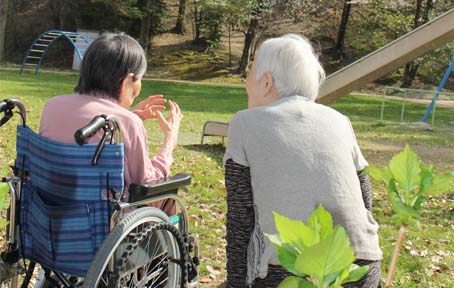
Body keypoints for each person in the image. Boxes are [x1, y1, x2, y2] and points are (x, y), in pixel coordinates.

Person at [224, 34, 382, 288]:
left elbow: (240, 218)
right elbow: (365, 200)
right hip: (359, 264)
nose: (246, 83)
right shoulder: (340, 121)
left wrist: (235, 284)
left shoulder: (244, 122)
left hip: (291, 268)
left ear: (266, 82)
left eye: (250, 74)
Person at [39, 32, 182, 213]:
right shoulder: (127, 123)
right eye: (139, 79)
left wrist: (130, 116)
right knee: (167, 194)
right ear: (128, 81)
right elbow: (146, 184)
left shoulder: (52, 106)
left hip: (51, 216)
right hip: (106, 226)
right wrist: (168, 144)